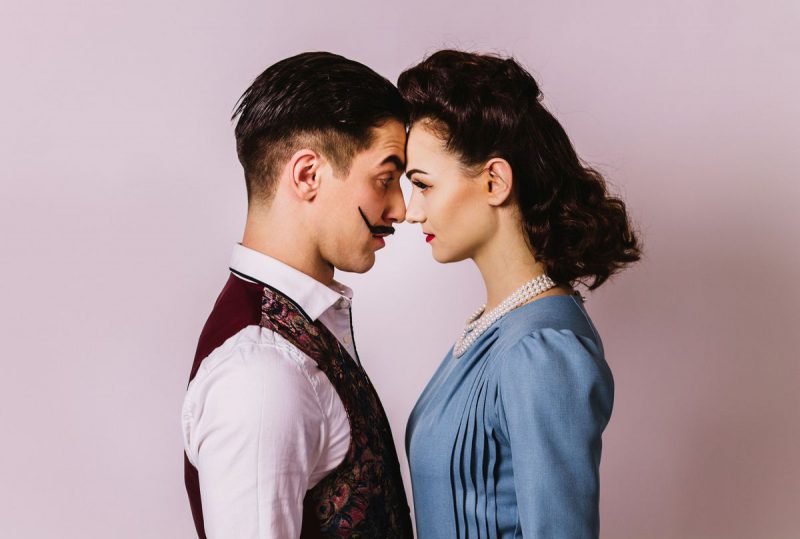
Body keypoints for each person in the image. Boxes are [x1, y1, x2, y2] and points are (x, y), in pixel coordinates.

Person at [399, 50, 641, 538]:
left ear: (494, 181)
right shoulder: (497, 329)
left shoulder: (542, 350)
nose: (410, 211)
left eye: (423, 185)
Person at [181, 52, 413, 538]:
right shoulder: (261, 374)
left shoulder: (293, 336)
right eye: (385, 179)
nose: (399, 209)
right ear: (308, 174)